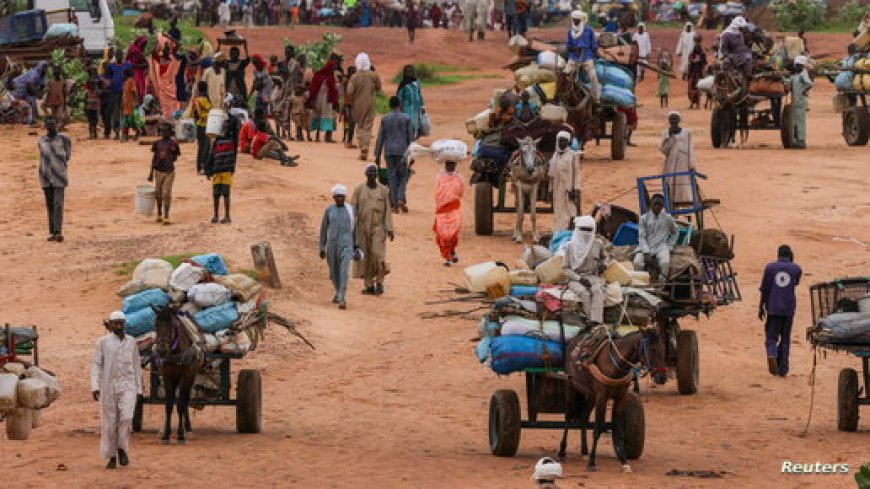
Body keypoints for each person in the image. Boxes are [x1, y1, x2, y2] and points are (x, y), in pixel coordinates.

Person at [90, 311, 142, 470]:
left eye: (121, 323)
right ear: (110, 325)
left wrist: (139, 389)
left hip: (128, 386)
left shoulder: (132, 342)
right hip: (108, 387)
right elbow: (96, 364)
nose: (119, 326)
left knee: (126, 418)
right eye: (116, 323)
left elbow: (136, 366)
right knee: (110, 424)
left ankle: (122, 449)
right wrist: (95, 386)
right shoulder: (103, 342)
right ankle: (112, 456)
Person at [758, 245, 801, 377]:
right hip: (788, 308)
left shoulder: (770, 268)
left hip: (773, 307)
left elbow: (765, 289)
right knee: (785, 339)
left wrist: (761, 306)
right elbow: (795, 283)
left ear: (778, 254)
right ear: (790, 255)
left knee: (771, 337)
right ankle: (783, 369)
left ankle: (771, 353)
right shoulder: (796, 269)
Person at [352, 164, 394, 296]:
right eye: (369, 172)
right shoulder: (359, 189)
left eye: (374, 172)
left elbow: (388, 211)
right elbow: (353, 210)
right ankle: (369, 285)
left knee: (378, 255)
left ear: (377, 175)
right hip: (362, 227)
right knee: (366, 257)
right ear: (365, 173)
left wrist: (390, 229)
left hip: (378, 227)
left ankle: (380, 282)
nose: (372, 174)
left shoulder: (383, 190)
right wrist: (351, 228)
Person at [562, 215, 609, 324]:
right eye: (583, 230)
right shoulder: (570, 246)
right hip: (576, 279)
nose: (586, 233)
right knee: (584, 294)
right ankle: (589, 322)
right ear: (578, 230)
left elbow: (605, 257)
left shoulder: (598, 244)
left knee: (597, 291)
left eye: (589, 230)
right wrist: (579, 278)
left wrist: (604, 264)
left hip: (594, 277)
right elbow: (565, 268)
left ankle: (597, 324)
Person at [319, 184, 359, 310]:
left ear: (345, 197)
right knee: (333, 272)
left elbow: (355, 229)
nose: (340, 199)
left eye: (342, 196)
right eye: (337, 197)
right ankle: (338, 292)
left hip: (347, 244)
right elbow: (323, 229)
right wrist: (321, 247)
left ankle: (342, 298)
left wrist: (356, 246)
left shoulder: (350, 210)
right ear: (334, 197)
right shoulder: (329, 210)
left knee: (343, 271)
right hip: (332, 246)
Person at [374, 96, 413, 212]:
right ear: (399, 105)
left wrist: (377, 154)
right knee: (403, 175)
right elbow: (410, 138)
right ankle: (400, 197)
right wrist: (412, 154)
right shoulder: (406, 118)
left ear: (390, 105)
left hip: (389, 151)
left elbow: (380, 137)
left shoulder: (385, 119)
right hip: (402, 151)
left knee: (392, 176)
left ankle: (394, 204)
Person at [38, 116, 71, 243]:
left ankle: (58, 231)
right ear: (45, 126)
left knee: (58, 204)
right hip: (45, 176)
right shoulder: (42, 140)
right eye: (48, 124)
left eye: (52, 124)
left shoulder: (64, 139)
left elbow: (68, 155)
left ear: (56, 125)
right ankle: (52, 232)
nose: (50, 126)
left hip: (59, 176)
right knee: (50, 205)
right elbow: (42, 156)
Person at [633, 194, 678, 283]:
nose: (657, 206)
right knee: (637, 263)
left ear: (662, 206)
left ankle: (660, 287)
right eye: (655, 204)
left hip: (661, 247)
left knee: (665, 263)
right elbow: (641, 237)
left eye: (660, 205)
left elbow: (675, 232)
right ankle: (642, 286)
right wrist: (646, 252)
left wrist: (669, 246)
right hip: (646, 246)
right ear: (651, 204)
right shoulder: (643, 218)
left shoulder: (668, 218)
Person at [204, 115, 240, 223]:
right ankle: (216, 216)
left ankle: (227, 216)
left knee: (226, 193)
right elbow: (211, 155)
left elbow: (236, 124)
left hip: (226, 170)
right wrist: (208, 170)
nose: (225, 129)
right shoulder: (217, 141)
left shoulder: (232, 140)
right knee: (216, 194)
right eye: (223, 127)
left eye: (227, 127)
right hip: (217, 170)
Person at [347, 53, 381, 161]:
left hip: (357, 104)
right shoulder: (373, 75)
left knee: (360, 125)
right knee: (367, 126)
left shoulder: (354, 76)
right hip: (370, 102)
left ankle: (362, 146)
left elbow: (349, 91)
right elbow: (379, 88)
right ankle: (365, 148)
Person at [660, 112, 696, 207]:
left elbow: (691, 149)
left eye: (675, 119)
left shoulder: (687, 133)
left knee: (684, 184)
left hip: (684, 162)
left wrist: (692, 165)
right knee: (670, 183)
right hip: (670, 162)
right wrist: (670, 138)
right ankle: (671, 205)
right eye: (671, 119)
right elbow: (663, 150)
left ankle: (686, 206)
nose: (673, 121)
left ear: (679, 120)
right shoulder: (665, 133)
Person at [433, 158, 465, 266]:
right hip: (442, 210)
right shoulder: (440, 178)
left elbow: (460, 193)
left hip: (453, 209)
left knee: (452, 235)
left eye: (452, 164)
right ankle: (448, 258)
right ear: (445, 165)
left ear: (455, 165)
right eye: (448, 164)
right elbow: (437, 193)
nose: (450, 166)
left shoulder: (459, 178)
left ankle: (452, 252)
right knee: (442, 235)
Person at [548, 131, 581, 232]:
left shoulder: (573, 155)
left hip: (568, 188)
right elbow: (551, 175)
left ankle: (569, 231)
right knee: (558, 211)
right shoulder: (555, 155)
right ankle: (558, 231)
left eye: (565, 141)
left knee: (570, 210)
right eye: (560, 141)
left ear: (568, 142)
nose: (562, 143)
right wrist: (550, 189)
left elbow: (576, 174)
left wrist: (575, 189)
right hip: (557, 188)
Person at [148, 123, 181, 225]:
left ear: (170, 132)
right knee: (158, 193)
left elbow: (176, 157)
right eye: (162, 131)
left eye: (166, 131)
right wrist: (151, 173)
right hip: (158, 171)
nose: (164, 133)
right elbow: (154, 158)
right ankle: (159, 213)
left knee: (166, 193)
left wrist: (168, 160)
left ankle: (166, 216)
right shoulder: (157, 143)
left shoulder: (174, 144)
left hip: (169, 172)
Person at [564, 10, 600, 102]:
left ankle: (597, 98)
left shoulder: (589, 30)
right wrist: (574, 49)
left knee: (592, 76)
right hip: (574, 58)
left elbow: (594, 46)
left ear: (581, 20)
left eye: (577, 20)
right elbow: (568, 47)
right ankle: (563, 97)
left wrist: (597, 55)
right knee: (565, 75)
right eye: (573, 20)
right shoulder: (570, 32)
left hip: (586, 57)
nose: (575, 22)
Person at [307, 55, 340, 142]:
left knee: (325, 116)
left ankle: (324, 137)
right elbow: (313, 88)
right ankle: (321, 137)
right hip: (323, 101)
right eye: (333, 67)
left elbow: (333, 91)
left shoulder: (323, 76)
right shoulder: (325, 77)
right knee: (323, 116)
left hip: (324, 101)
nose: (333, 69)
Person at [149, 35, 182, 118]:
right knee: (168, 108)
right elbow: (152, 52)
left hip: (169, 88)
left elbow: (177, 44)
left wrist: (167, 37)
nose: (168, 49)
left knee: (171, 106)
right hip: (166, 88)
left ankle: (171, 119)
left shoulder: (168, 59)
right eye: (166, 47)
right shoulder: (163, 59)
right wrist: (162, 40)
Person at [105, 50, 132, 139]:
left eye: (120, 55)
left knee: (125, 112)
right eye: (118, 55)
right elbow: (108, 78)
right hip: (114, 91)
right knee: (116, 112)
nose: (119, 56)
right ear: (115, 56)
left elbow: (131, 77)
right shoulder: (110, 66)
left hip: (126, 92)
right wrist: (107, 84)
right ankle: (117, 132)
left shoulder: (128, 65)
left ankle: (125, 132)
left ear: (123, 55)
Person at [11, 60, 48, 125]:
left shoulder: (43, 76)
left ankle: (32, 119)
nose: (45, 68)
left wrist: (41, 93)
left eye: (46, 67)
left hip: (27, 90)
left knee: (31, 101)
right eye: (44, 67)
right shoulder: (35, 73)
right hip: (19, 87)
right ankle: (32, 119)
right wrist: (37, 94)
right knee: (25, 102)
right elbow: (29, 83)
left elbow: (42, 85)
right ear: (40, 66)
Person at [788, 55, 813, 150]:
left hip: (801, 100)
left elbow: (809, 83)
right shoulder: (796, 75)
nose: (797, 66)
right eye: (796, 65)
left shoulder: (803, 74)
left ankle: (801, 141)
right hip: (796, 101)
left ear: (802, 65)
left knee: (800, 120)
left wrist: (804, 91)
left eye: (798, 65)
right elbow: (788, 82)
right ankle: (796, 140)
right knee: (795, 120)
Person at [396, 64, 425, 140]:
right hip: (406, 108)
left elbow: (419, 94)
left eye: (410, 71)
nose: (409, 73)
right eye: (407, 71)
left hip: (416, 109)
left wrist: (422, 106)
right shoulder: (403, 84)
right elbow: (399, 97)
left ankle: (413, 139)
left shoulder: (416, 82)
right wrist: (399, 109)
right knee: (407, 125)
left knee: (416, 125)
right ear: (404, 73)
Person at [191, 81, 213, 173]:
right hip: (203, 125)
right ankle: (201, 167)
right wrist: (209, 114)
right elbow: (200, 113)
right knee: (204, 147)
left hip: (204, 125)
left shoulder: (200, 99)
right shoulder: (200, 100)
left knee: (206, 146)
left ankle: (204, 166)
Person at [84, 67, 105, 139]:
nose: (92, 85)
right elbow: (85, 100)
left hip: (95, 108)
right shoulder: (87, 92)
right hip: (89, 108)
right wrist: (85, 108)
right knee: (90, 121)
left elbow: (100, 99)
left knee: (95, 121)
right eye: (91, 84)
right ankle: (91, 133)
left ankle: (94, 132)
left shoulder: (97, 91)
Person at [687, 34, 707, 109]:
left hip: (697, 72)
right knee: (694, 88)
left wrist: (697, 61)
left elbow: (704, 62)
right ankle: (693, 104)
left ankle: (696, 104)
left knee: (696, 88)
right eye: (696, 41)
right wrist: (693, 60)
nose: (696, 43)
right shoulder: (696, 51)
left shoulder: (699, 52)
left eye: (697, 41)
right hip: (695, 72)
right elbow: (704, 62)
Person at [120, 68, 140, 142]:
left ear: (126, 74)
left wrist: (136, 102)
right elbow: (123, 94)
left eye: (123, 74)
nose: (122, 76)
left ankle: (137, 131)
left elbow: (134, 92)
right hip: (126, 105)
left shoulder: (131, 81)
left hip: (131, 105)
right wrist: (122, 103)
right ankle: (125, 135)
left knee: (131, 121)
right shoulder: (125, 82)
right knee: (125, 121)